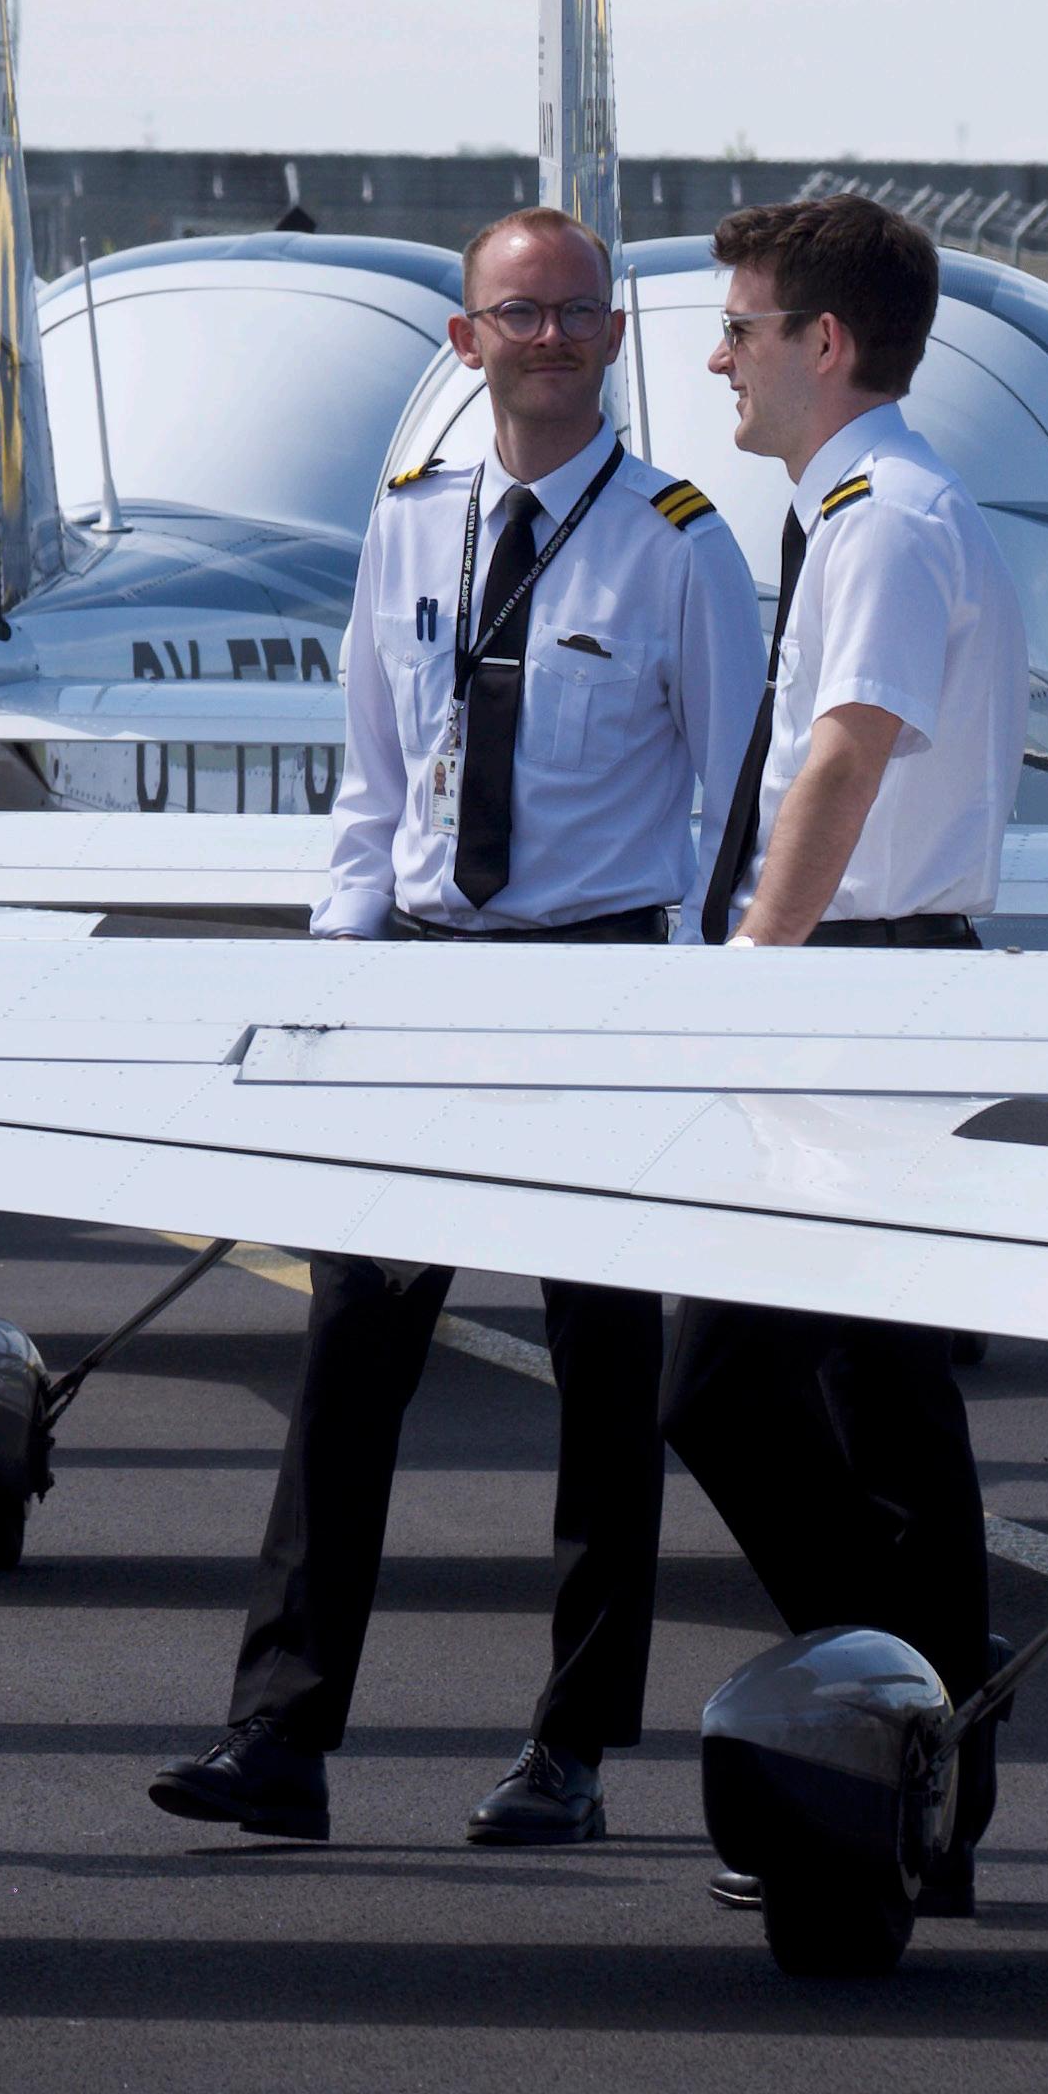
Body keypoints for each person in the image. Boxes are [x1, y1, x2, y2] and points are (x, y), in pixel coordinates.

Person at [146, 206, 761, 1849]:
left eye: (574, 314)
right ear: (464, 338)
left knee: (605, 1378)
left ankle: (571, 1751)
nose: (548, 338)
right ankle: (280, 1734)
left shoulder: (681, 543)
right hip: (420, 978)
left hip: (596, 987)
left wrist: (700, 1015)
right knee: (349, 1351)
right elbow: (370, 780)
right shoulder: (410, 525)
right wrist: (336, 980)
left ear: (613, 339)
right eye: (518, 312)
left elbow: (733, 811)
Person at [661, 193, 1030, 1913]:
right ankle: (921, 1766)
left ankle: (908, 1732)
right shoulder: (872, 507)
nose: (717, 360)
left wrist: (753, 975)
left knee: (745, 1388)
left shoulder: (882, 521)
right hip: (872, 976)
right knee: (879, 1402)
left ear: (824, 343)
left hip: (855, 985)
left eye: (740, 328)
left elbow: (847, 754)